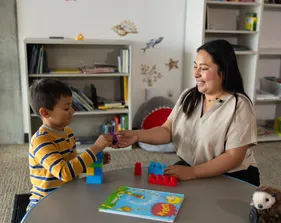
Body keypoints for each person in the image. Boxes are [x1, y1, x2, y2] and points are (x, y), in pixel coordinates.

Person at [115, 39, 260, 186]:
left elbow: (233, 157)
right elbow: (167, 130)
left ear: (223, 71)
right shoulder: (188, 96)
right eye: (195, 66)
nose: (196, 74)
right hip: (194, 167)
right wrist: (136, 135)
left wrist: (192, 172)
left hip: (232, 175)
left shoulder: (239, 105)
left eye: (203, 68)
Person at [26, 78, 114, 212]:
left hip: (67, 195)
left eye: (71, 106)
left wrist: (92, 161)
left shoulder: (67, 132)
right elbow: (64, 172)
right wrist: (95, 148)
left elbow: (71, 164)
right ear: (45, 112)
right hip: (45, 202)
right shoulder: (41, 140)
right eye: (66, 108)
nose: (72, 111)